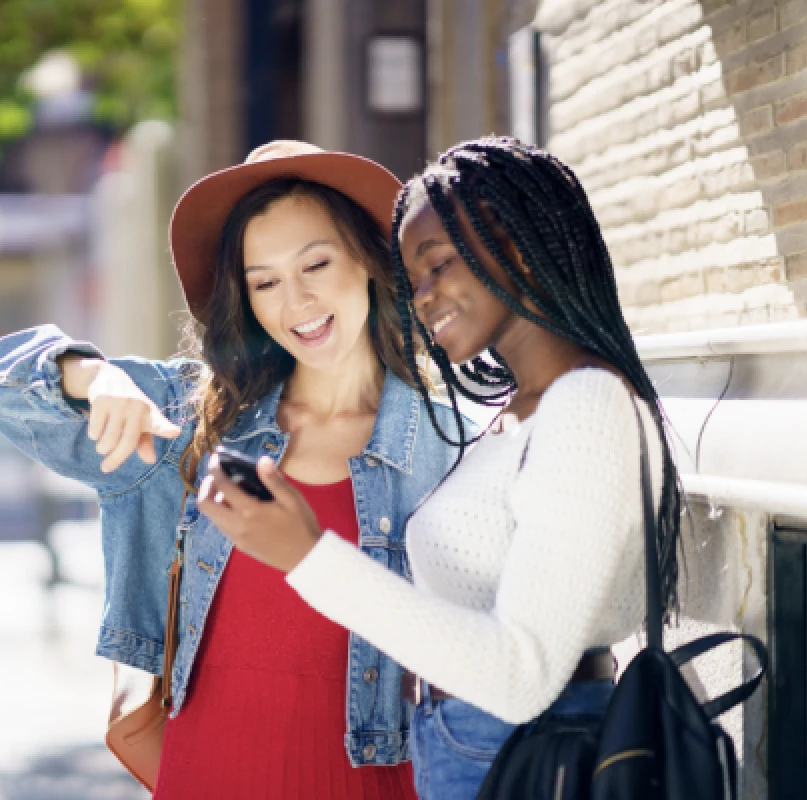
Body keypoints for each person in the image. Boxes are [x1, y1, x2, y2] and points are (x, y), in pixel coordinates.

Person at [0, 140, 467, 799]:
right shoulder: (192, 422)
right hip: (211, 772)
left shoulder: (449, 442)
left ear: (369, 262)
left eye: (315, 263)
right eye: (264, 282)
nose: (296, 301)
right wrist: (93, 376)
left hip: (376, 782)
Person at [198, 136, 682, 800]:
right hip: (466, 747)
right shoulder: (516, 416)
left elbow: (521, 675)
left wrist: (307, 554)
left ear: (516, 246)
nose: (423, 297)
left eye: (439, 264)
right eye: (413, 278)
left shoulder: (588, 405)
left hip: (525, 758)